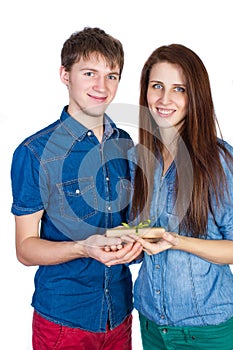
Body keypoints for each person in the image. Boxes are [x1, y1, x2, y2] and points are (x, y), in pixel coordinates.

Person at [10, 27, 142, 350]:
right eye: (89, 73)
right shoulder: (35, 152)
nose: (102, 86)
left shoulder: (125, 145)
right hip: (63, 321)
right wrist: (83, 247)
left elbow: (132, 223)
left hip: (121, 315)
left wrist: (137, 243)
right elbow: (25, 248)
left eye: (112, 76)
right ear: (64, 75)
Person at [126, 44, 233, 349]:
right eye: (157, 86)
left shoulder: (220, 162)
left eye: (179, 89)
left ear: (195, 96)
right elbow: (141, 239)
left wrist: (176, 240)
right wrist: (127, 243)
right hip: (152, 326)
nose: (164, 99)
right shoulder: (139, 159)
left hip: (207, 333)